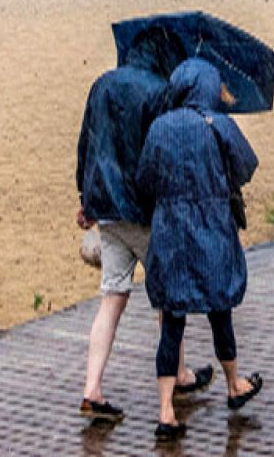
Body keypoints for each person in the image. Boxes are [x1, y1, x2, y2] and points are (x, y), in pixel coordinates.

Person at [75, 27, 209, 422]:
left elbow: (86, 145)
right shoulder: (158, 91)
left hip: (107, 211)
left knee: (112, 299)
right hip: (145, 213)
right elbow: (163, 152)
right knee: (169, 300)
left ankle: (92, 388)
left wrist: (86, 200)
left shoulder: (102, 85)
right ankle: (177, 379)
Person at [135, 58, 264, 442]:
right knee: (219, 308)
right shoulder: (218, 123)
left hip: (170, 231)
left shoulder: (160, 126)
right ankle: (233, 384)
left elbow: (144, 179)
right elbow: (246, 167)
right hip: (211, 229)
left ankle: (165, 410)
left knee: (172, 319)